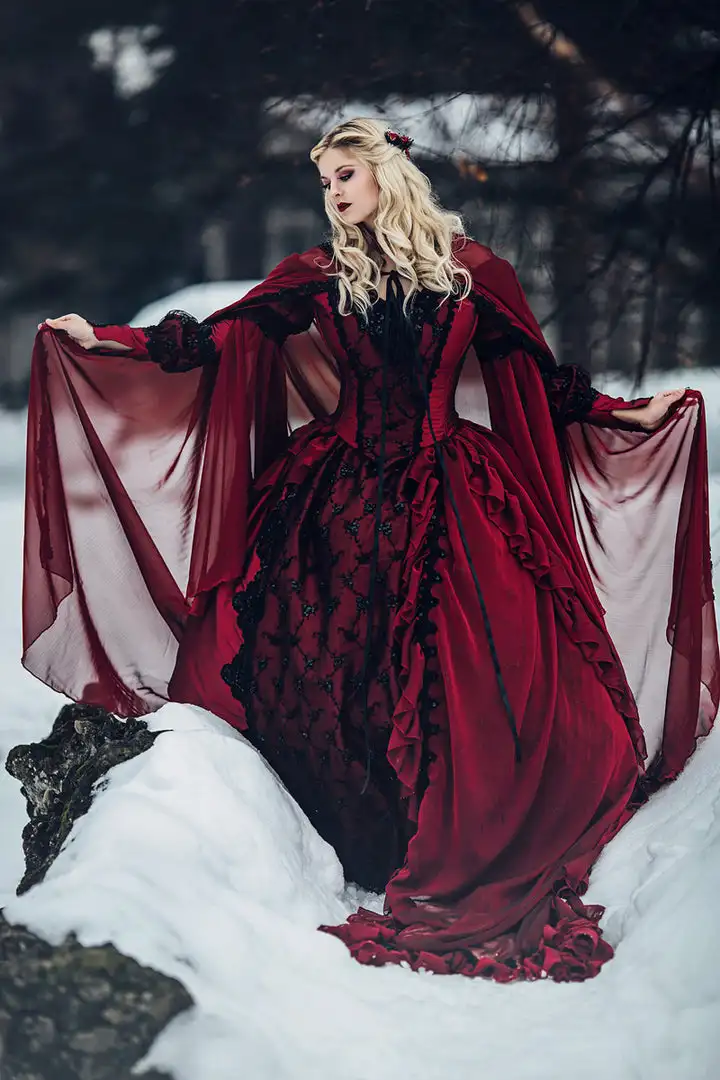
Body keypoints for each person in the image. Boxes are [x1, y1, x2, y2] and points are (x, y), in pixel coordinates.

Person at [24, 118, 718, 983]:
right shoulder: (317, 273)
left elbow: (537, 378)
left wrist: (627, 413)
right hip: (338, 502)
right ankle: (354, 837)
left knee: (465, 670)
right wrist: (108, 341)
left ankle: (458, 825)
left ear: (388, 175)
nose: (335, 193)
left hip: (455, 489)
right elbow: (216, 340)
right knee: (321, 665)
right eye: (325, 182)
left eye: (346, 175)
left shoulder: (473, 274)